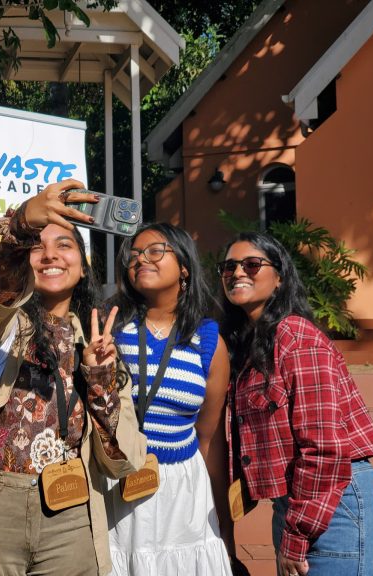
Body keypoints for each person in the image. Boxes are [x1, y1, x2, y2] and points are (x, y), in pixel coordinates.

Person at [0, 180, 147, 576]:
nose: (50, 254)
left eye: (65, 245)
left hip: (71, 514)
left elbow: (123, 462)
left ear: (83, 265)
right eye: (38, 246)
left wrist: (100, 378)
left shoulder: (98, 340)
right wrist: (20, 228)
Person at [218, 231, 373, 576]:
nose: (238, 272)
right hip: (298, 503)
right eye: (229, 266)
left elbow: (324, 447)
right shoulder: (253, 344)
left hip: (333, 501)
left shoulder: (296, 337)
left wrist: (296, 535)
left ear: (279, 278)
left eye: (252, 264)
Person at [103, 223, 238, 576]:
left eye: (154, 251)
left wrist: (223, 520)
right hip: (117, 483)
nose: (140, 260)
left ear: (184, 268)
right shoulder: (111, 329)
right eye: (133, 255)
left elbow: (208, 439)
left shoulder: (208, 340)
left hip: (183, 492)